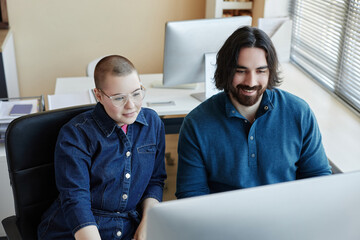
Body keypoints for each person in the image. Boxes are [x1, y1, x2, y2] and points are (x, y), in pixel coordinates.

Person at [175, 26, 332, 199]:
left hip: (286, 220)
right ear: (226, 71)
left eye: (260, 71)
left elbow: (318, 179)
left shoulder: (300, 113)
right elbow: (191, 196)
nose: (251, 82)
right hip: (225, 223)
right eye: (241, 71)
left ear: (270, 72)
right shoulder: (196, 124)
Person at [38, 55, 167, 240]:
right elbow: (75, 199)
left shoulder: (152, 123)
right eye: (119, 98)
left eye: (136, 93)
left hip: (130, 225)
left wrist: (148, 222)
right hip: (78, 230)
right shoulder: (76, 134)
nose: (131, 105)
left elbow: (155, 180)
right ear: (98, 95)